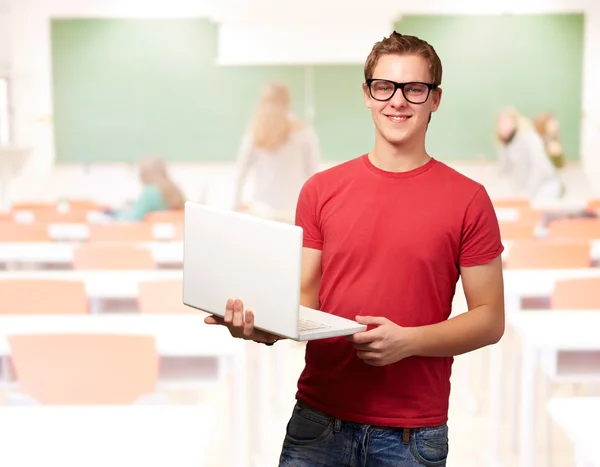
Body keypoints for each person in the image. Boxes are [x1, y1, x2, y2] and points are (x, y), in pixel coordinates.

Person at [206, 31, 505, 467]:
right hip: (317, 424)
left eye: (414, 89)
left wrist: (408, 342)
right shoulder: (320, 191)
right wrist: (262, 327)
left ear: (435, 99)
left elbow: (490, 320)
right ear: (367, 94)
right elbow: (305, 303)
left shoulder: (469, 199)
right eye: (385, 87)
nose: (397, 101)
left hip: (412, 435)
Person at [232, 83, 320, 224]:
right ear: (287, 102)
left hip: (261, 213)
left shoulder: (255, 133)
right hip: (294, 212)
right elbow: (313, 175)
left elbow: (240, 173)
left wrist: (235, 205)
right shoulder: (303, 131)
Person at [496, 108, 563, 202]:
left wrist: (531, 192)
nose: (504, 126)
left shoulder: (528, 137)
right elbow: (504, 170)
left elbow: (538, 166)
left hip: (544, 187)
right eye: (501, 123)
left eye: (507, 122)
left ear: (515, 122)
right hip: (525, 191)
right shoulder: (506, 143)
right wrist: (503, 145)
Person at [115, 156, 185, 221]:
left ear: (143, 174)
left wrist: (115, 215)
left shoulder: (150, 192)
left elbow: (134, 219)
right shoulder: (175, 188)